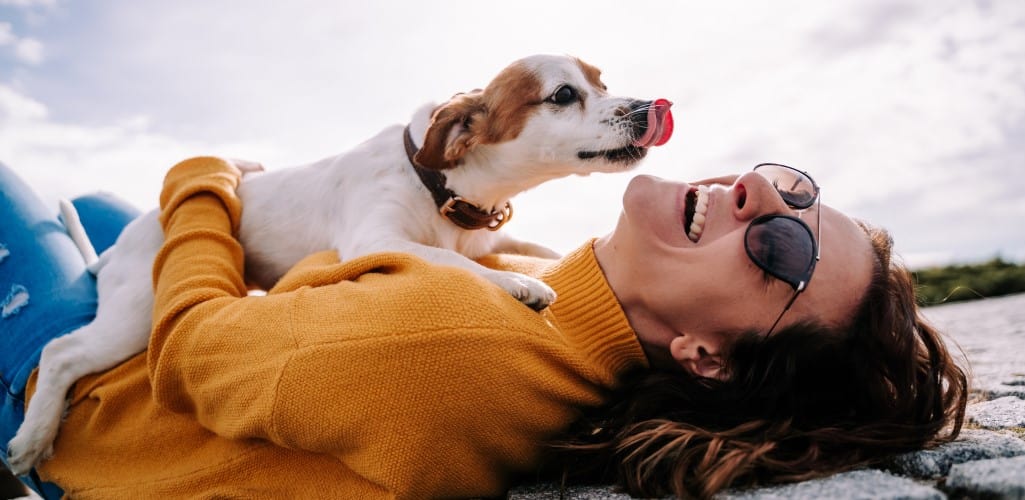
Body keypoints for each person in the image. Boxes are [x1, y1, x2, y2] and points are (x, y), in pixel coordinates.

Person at [0, 157, 966, 499]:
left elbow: (192, 349)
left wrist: (203, 182)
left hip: (83, 405)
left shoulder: (445, 347)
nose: (758, 197)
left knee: (18, 194)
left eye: (782, 255)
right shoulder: (559, 287)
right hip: (144, 330)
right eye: (793, 189)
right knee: (90, 199)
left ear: (705, 356)